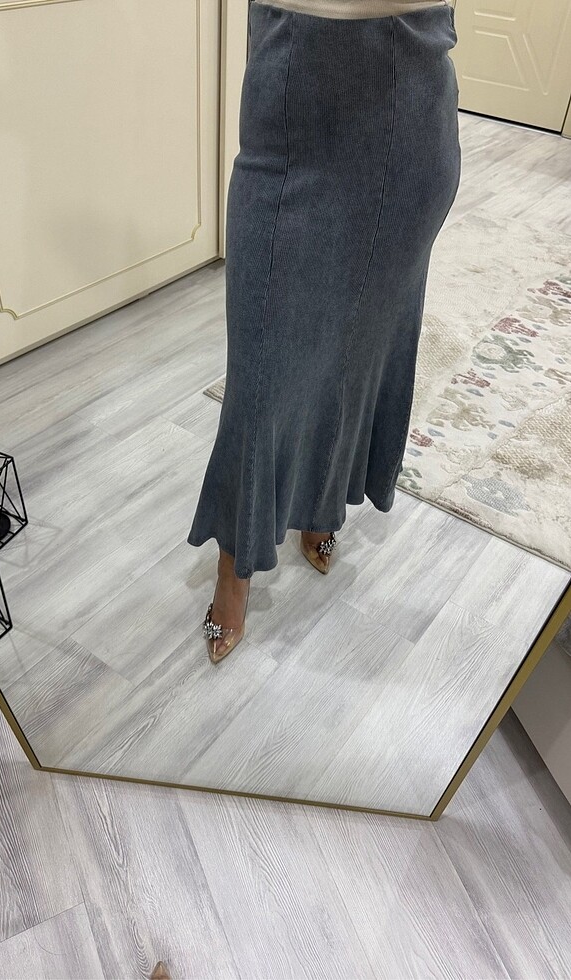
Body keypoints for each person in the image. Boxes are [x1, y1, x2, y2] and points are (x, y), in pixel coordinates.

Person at [187, 0, 461, 662]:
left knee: (365, 348)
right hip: (296, 107)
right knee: (263, 373)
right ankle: (235, 565)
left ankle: (322, 500)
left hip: (415, 104)